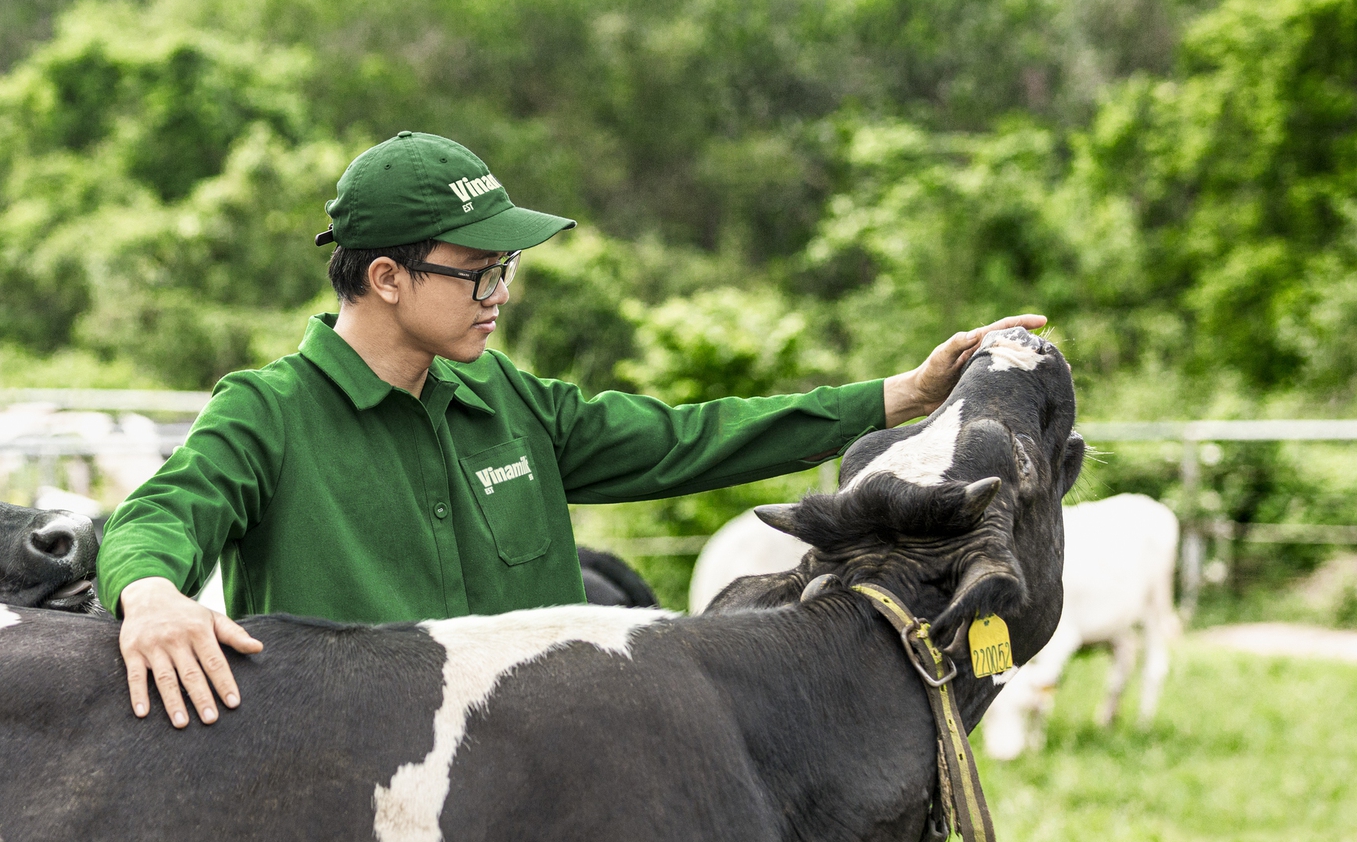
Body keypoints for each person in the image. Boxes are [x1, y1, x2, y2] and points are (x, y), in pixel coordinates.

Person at [98, 131, 1043, 727]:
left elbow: (686, 439)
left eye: (507, 269)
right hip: (359, 794)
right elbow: (161, 517)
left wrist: (900, 395)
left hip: (547, 767)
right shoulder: (266, 413)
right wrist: (149, 595)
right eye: (478, 274)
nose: (500, 295)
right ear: (386, 278)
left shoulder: (508, 401)